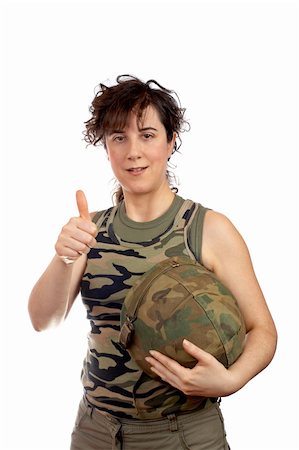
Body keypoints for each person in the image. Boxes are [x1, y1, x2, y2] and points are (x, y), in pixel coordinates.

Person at [28, 75, 277, 450]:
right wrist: (65, 257)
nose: (133, 151)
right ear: (106, 147)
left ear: (170, 141)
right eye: (118, 137)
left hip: (184, 434)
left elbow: (263, 330)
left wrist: (232, 380)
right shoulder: (89, 229)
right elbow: (42, 321)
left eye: (147, 134)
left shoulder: (208, 228)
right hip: (95, 431)